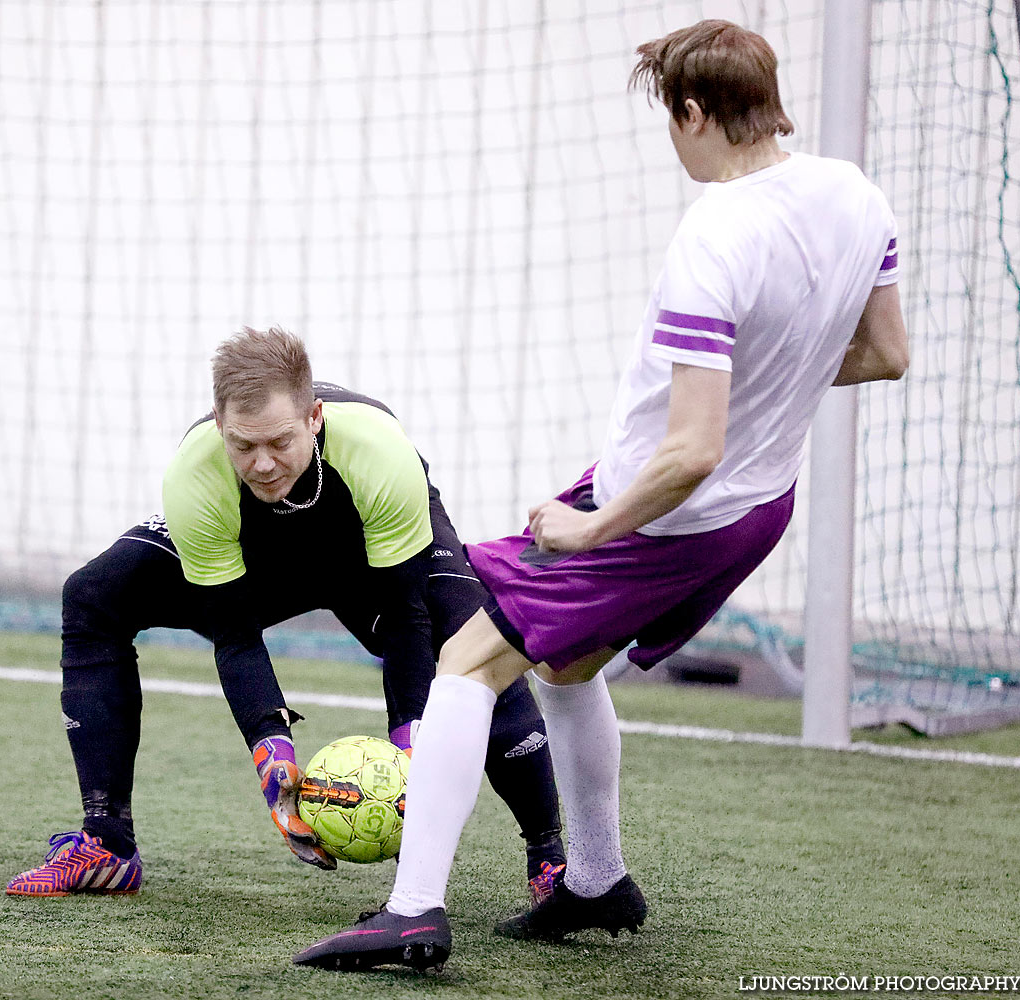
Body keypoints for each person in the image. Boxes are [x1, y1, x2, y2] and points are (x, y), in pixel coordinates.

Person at [293, 18, 909, 971]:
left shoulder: (716, 234)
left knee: (466, 661)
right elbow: (884, 354)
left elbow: (692, 450)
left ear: (695, 112)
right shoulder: (855, 193)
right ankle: (595, 879)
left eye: (671, 118)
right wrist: (770, 381)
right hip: (759, 506)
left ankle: (412, 913)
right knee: (566, 666)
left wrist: (590, 528)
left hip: (671, 510)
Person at [5, 326, 567, 897]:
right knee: (92, 596)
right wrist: (273, 760)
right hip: (260, 554)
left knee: (471, 640)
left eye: (279, 441)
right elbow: (235, 635)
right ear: (220, 427)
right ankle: (107, 845)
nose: (264, 463)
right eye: (244, 446)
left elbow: (405, 621)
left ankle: (549, 861)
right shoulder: (195, 475)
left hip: (364, 554)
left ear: (314, 417)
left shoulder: (380, 453)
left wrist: (410, 752)